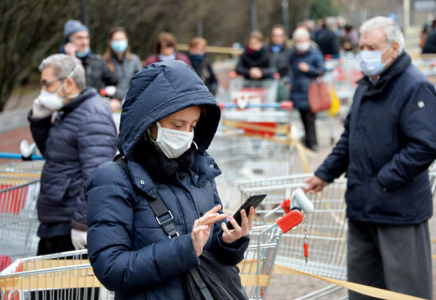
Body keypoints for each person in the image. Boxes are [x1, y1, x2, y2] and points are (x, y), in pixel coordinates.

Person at [85, 61, 252, 299]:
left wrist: (228, 241)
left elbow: (210, 246)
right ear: (149, 122)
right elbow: (110, 268)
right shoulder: (112, 178)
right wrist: (186, 248)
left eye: (192, 126)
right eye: (177, 125)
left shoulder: (198, 170)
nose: (185, 134)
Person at [304, 17, 435, 300]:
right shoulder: (365, 86)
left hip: (399, 210)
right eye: (362, 46)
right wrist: (324, 174)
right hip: (362, 207)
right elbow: (350, 138)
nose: (365, 53)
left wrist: (384, 181)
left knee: (406, 291)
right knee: (364, 290)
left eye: (372, 47)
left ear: (394, 47)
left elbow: (425, 145)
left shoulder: (415, 86)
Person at [28, 54, 117, 255]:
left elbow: (96, 175)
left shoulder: (92, 116)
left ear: (68, 83)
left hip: (69, 224)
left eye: (46, 84)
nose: (43, 91)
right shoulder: (67, 110)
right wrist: (39, 121)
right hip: (57, 219)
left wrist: (81, 222)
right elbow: (53, 154)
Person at [289, 27, 325, 152]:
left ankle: (312, 143)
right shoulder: (293, 54)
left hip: (311, 92)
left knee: (310, 120)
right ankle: (307, 140)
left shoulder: (315, 53)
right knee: (303, 119)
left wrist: (309, 69)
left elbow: (322, 70)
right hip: (297, 91)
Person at [60, 20, 118, 93]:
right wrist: (72, 59)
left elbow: (117, 80)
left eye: (86, 38)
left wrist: (116, 98)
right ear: (68, 41)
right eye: (79, 38)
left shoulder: (97, 61)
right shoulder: (58, 63)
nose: (84, 42)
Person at [102, 26, 142, 112]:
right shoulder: (103, 62)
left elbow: (140, 81)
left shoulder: (134, 60)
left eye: (122, 39)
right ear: (110, 42)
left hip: (132, 105)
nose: (120, 42)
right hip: (110, 106)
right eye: (116, 40)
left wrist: (118, 95)